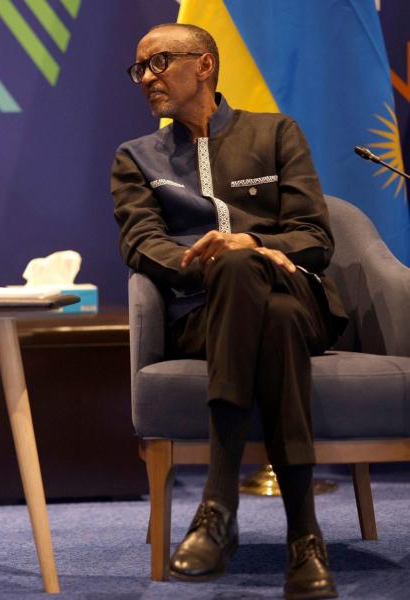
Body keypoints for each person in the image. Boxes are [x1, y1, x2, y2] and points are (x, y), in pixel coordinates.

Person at [111, 23, 348, 600]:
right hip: (200, 314)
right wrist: (213, 263)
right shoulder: (136, 157)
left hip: (297, 294)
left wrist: (257, 249)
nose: (147, 78)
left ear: (206, 65)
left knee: (254, 274)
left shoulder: (275, 133)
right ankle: (305, 539)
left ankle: (218, 504)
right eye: (139, 68)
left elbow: (315, 235)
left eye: (159, 62)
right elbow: (141, 243)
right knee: (262, 305)